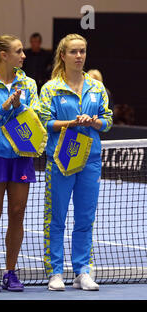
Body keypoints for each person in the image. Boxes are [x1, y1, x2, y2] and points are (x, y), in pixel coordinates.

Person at [39, 34, 113, 291]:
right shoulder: (50, 88)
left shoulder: (96, 87)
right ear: (63, 55)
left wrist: (94, 122)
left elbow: (108, 120)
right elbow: (45, 123)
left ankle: (83, 271)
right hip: (60, 160)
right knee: (56, 217)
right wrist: (70, 124)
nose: (79, 56)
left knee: (85, 218)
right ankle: (55, 272)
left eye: (82, 51)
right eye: (73, 51)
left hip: (90, 160)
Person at [0, 35, 40, 292]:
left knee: (17, 213)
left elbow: (34, 114)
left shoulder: (29, 83)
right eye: (19, 51)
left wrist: (19, 104)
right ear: (4, 55)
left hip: (22, 155)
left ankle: (10, 271)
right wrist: (4, 107)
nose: (23, 55)